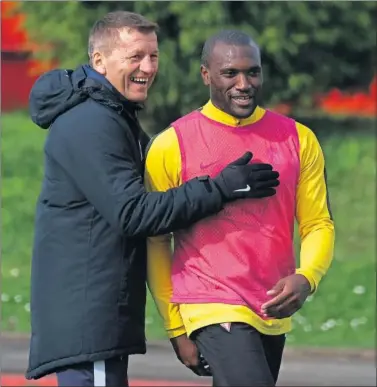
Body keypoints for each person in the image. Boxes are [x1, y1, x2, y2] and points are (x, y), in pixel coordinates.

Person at [25, 13, 281, 387]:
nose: (147, 67)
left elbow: (158, 191)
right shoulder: (91, 122)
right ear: (100, 61)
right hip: (88, 319)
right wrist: (221, 188)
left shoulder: (113, 114)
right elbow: (133, 213)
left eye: (153, 56)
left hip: (97, 316)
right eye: (135, 57)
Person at [146, 29, 335, 386]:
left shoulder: (299, 139)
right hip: (209, 301)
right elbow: (156, 240)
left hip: (270, 305)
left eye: (253, 72)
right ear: (207, 75)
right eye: (230, 73)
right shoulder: (171, 144)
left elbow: (318, 223)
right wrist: (175, 326)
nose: (244, 83)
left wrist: (307, 277)